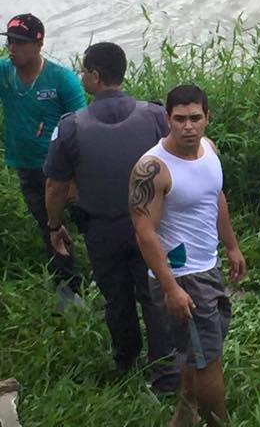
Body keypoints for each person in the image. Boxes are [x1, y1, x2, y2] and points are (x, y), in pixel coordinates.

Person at [44, 43, 178, 392]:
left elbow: (56, 187)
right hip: (150, 226)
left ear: (96, 76)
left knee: (116, 297)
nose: (81, 76)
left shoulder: (71, 127)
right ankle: (165, 373)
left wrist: (54, 225)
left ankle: (126, 361)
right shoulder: (153, 116)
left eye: (84, 70)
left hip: (101, 229)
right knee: (154, 294)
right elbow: (178, 163)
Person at [129, 85, 246, 427]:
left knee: (199, 351)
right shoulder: (152, 168)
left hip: (208, 266)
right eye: (179, 119)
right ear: (168, 119)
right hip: (181, 276)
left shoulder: (208, 150)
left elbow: (215, 197)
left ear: (207, 118)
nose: (188, 127)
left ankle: (184, 412)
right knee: (209, 359)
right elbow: (144, 231)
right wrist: (169, 288)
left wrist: (232, 245)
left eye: (195, 118)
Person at [0, 13, 86, 303]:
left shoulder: (62, 79)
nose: (13, 48)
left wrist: (74, 176)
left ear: (39, 44)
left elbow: (81, 125)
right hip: (26, 165)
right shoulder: (4, 73)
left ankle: (108, 276)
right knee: (48, 225)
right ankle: (68, 286)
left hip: (63, 170)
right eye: (10, 42)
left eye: (20, 43)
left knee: (88, 221)